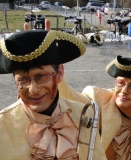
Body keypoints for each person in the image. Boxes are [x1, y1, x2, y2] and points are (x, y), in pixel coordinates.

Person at [0, 30, 107, 159]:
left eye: (41, 77)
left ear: (60, 73)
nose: (33, 89)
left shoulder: (82, 115)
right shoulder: (2, 127)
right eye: (23, 79)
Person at [58, 55, 131, 159]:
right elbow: (68, 97)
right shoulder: (98, 100)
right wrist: (53, 65)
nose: (124, 91)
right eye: (120, 83)